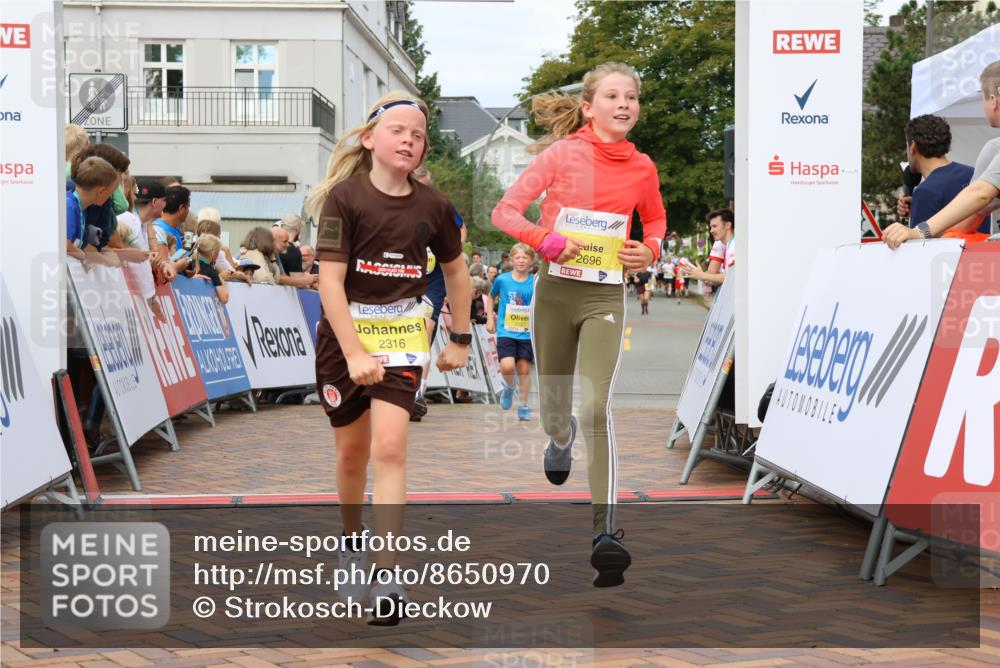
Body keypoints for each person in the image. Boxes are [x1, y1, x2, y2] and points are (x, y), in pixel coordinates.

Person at [492, 62, 666, 587]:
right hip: (555, 292)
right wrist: (544, 240)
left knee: (596, 403)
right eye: (612, 95)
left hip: (604, 295)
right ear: (589, 107)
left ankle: (605, 532)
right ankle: (558, 439)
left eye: (632, 96)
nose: (624, 104)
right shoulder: (563, 154)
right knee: (555, 407)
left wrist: (649, 249)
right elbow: (506, 212)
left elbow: (655, 219)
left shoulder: (642, 168)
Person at [305, 92, 471, 624]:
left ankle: (387, 574)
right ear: (370, 139)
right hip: (344, 339)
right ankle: (352, 542)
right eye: (398, 130)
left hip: (401, 336)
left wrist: (460, 338)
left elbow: (457, 273)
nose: (408, 140)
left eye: (418, 135)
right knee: (353, 455)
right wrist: (353, 351)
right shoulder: (344, 199)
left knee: (391, 447)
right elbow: (328, 282)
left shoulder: (434, 207)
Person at [885, 60, 1000, 248]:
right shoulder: (993, 150)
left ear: (993, 100)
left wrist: (918, 231)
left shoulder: (994, 151)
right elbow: (967, 221)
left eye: (983, 98)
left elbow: (980, 194)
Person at [410, 165, 466, 422]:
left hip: (431, 281)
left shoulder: (438, 205)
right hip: (400, 279)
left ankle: (416, 395)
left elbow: (460, 228)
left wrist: (452, 246)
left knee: (425, 329)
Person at [896, 115, 989, 234]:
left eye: (907, 146)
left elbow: (921, 246)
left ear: (913, 146)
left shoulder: (925, 192)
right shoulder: (976, 175)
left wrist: (922, 205)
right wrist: (917, 209)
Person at [486, 243, 537, 420]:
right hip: (506, 331)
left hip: (527, 333)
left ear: (531, 260)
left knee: (524, 370)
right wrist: (489, 318)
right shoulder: (502, 279)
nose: (521, 261)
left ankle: (523, 405)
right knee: (507, 366)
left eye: (525, 257)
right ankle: (509, 388)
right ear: (511, 259)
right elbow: (491, 296)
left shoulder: (536, 281)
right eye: (518, 257)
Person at [681, 208, 734, 286]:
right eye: (711, 227)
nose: (711, 230)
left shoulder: (734, 246)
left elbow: (732, 277)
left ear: (728, 225)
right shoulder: (728, 245)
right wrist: (702, 275)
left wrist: (702, 275)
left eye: (714, 226)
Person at [188, 233, 229, 304]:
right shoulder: (212, 272)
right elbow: (224, 298)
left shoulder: (189, 264)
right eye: (218, 252)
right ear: (213, 253)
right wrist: (221, 279)